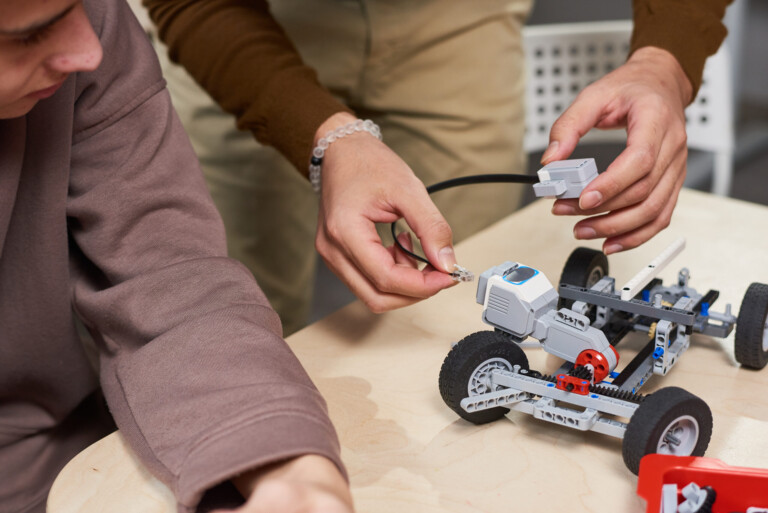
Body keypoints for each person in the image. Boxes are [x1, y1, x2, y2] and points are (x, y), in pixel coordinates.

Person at [142, 0, 732, 335]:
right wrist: (326, 137)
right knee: (230, 313)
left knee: (450, 317)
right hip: (243, 23)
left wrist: (664, 62)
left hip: (457, 18)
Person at [0, 0, 353, 511]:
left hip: (55, 460)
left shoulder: (96, 25)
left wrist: (291, 468)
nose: (88, 50)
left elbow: (166, 277)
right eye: (30, 34)